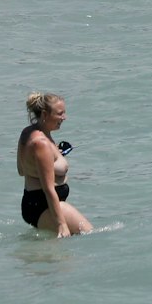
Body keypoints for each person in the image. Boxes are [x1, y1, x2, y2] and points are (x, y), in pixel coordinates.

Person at [18, 93, 92, 237]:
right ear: (45, 114)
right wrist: (61, 224)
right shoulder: (41, 143)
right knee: (89, 234)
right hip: (43, 205)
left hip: (34, 204)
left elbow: (22, 169)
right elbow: (48, 188)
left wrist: (51, 158)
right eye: (60, 113)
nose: (64, 117)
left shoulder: (29, 133)